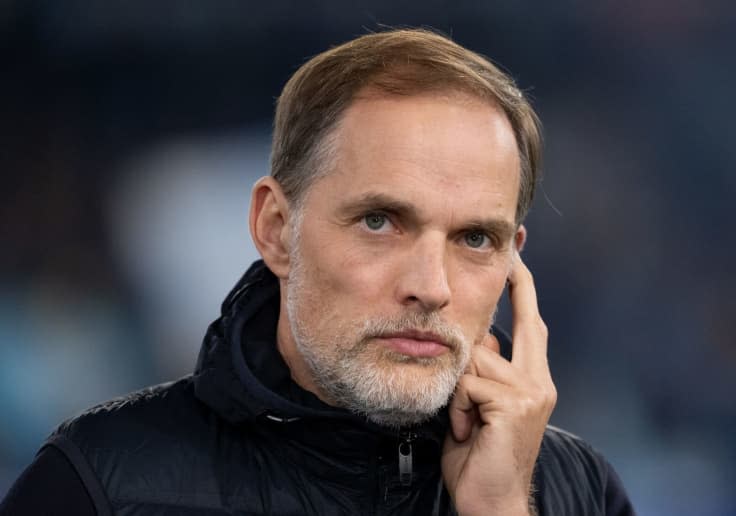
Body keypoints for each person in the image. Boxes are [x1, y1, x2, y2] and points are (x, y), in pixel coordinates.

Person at [1, 29, 635, 515]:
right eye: (380, 221)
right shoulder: (100, 482)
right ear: (276, 228)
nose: (432, 286)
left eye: (475, 238)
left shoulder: (576, 490)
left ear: (513, 262)